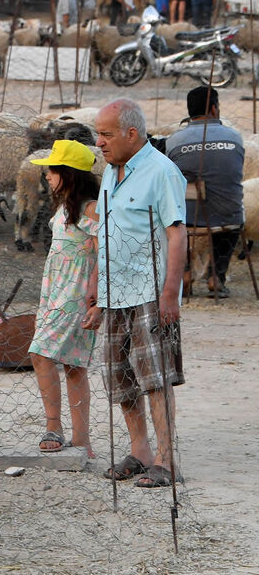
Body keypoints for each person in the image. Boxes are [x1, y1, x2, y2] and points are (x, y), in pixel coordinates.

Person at [91, 99, 188, 489]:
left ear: (132, 134)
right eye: (97, 134)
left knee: (155, 377)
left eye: (106, 134)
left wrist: (170, 292)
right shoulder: (110, 174)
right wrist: (96, 285)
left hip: (149, 292)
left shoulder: (161, 172)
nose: (99, 142)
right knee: (121, 377)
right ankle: (140, 452)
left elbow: (177, 233)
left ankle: (166, 460)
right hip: (114, 292)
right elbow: (106, 232)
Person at [28, 140, 101, 457]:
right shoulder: (64, 208)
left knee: (40, 353)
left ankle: (54, 427)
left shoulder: (90, 208)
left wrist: (97, 295)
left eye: (52, 170)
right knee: (73, 364)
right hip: (54, 292)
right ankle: (81, 439)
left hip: (75, 294)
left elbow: (104, 250)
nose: (46, 175)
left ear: (68, 174)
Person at [166, 86, 245, 298]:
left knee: (173, 220)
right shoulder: (234, 137)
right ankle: (216, 276)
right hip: (225, 215)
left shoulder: (174, 140)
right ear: (213, 109)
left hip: (184, 216)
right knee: (235, 218)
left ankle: (184, 272)